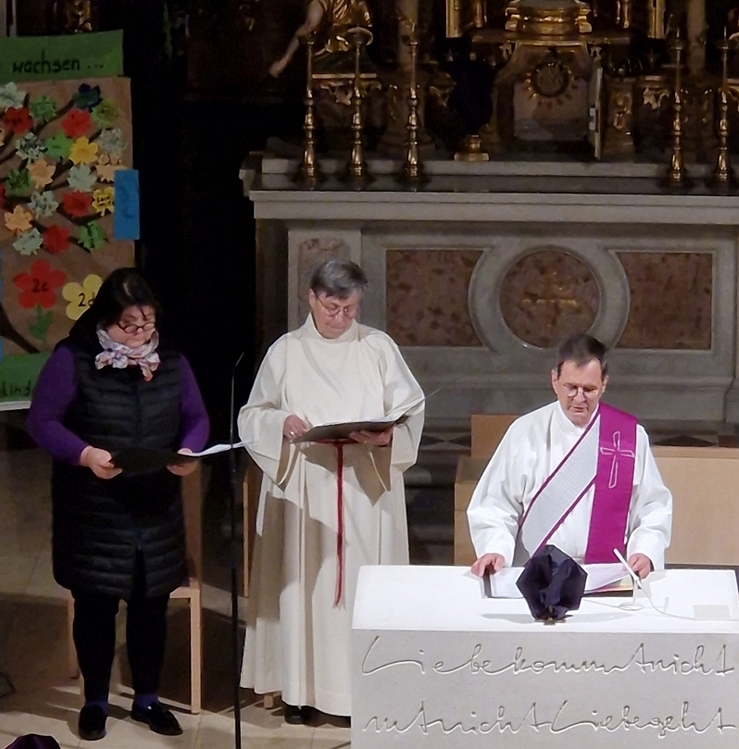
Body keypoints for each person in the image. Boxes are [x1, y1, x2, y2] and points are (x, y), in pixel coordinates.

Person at [239, 259, 424, 723]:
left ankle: (364, 692)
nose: (341, 318)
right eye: (331, 308)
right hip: (306, 487)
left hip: (364, 486)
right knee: (308, 589)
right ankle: (300, 691)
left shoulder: (377, 347)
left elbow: (411, 411)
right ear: (312, 297)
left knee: (361, 590)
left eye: (350, 309)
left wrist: (386, 437)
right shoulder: (287, 351)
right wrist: (281, 421)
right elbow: (252, 415)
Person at [27, 268, 209, 741]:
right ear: (105, 319)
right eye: (130, 325)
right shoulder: (73, 358)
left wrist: (188, 451)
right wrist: (85, 454)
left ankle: (147, 698)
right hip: (95, 507)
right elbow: (42, 421)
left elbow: (196, 416)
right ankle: (95, 700)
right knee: (95, 607)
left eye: (147, 324)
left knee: (152, 606)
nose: (141, 333)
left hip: (155, 506)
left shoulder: (170, 359)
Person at [468, 334, 672, 579]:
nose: (579, 398)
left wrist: (645, 550)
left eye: (589, 389)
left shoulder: (628, 437)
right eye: (571, 387)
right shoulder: (525, 432)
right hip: (537, 575)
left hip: (607, 575)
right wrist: (495, 549)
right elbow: (496, 503)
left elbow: (652, 507)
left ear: (604, 384)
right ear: (554, 380)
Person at [269, 0, 373, 78]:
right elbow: (310, 25)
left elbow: (366, 21)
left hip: (353, 44)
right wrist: (285, 59)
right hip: (329, 46)